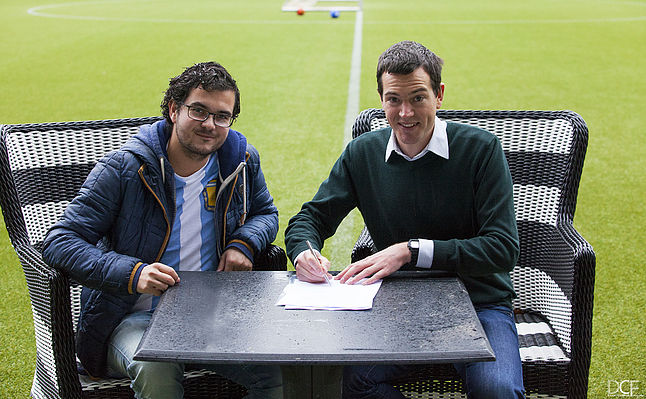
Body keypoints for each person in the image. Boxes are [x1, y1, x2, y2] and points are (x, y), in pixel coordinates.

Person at [284, 41, 525, 398]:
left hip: (480, 303)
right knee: (354, 381)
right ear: (381, 98)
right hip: (399, 304)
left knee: (498, 390)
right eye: (394, 99)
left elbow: (503, 248)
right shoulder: (362, 153)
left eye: (417, 98)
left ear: (439, 95)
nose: (405, 113)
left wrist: (411, 251)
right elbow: (311, 218)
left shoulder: (481, 149)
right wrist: (305, 252)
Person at [43, 61, 283, 399]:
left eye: (222, 116)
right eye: (198, 111)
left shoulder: (241, 161)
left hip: (214, 316)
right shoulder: (125, 168)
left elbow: (266, 214)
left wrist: (243, 242)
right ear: (173, 109)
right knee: (156, 365)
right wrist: (133, 272)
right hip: (134, 319)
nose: (210, 125)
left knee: (276, 370)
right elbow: (60, 242)